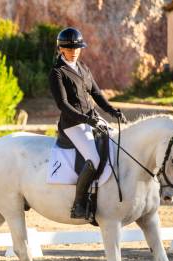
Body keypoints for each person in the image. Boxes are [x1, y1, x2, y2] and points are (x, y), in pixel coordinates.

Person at [49, 27, 122, 219]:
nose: (74, 52)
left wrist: (111, 111)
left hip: (90, 117)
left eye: (77, 48)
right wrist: (86, 120)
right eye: (69, 49)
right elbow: (62, 105)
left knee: (115, 143)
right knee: (95, 159)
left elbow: (96, 94)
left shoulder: (83, 68)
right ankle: (79, 203)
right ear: (61, 49)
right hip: (72, 124)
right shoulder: (57, 72)